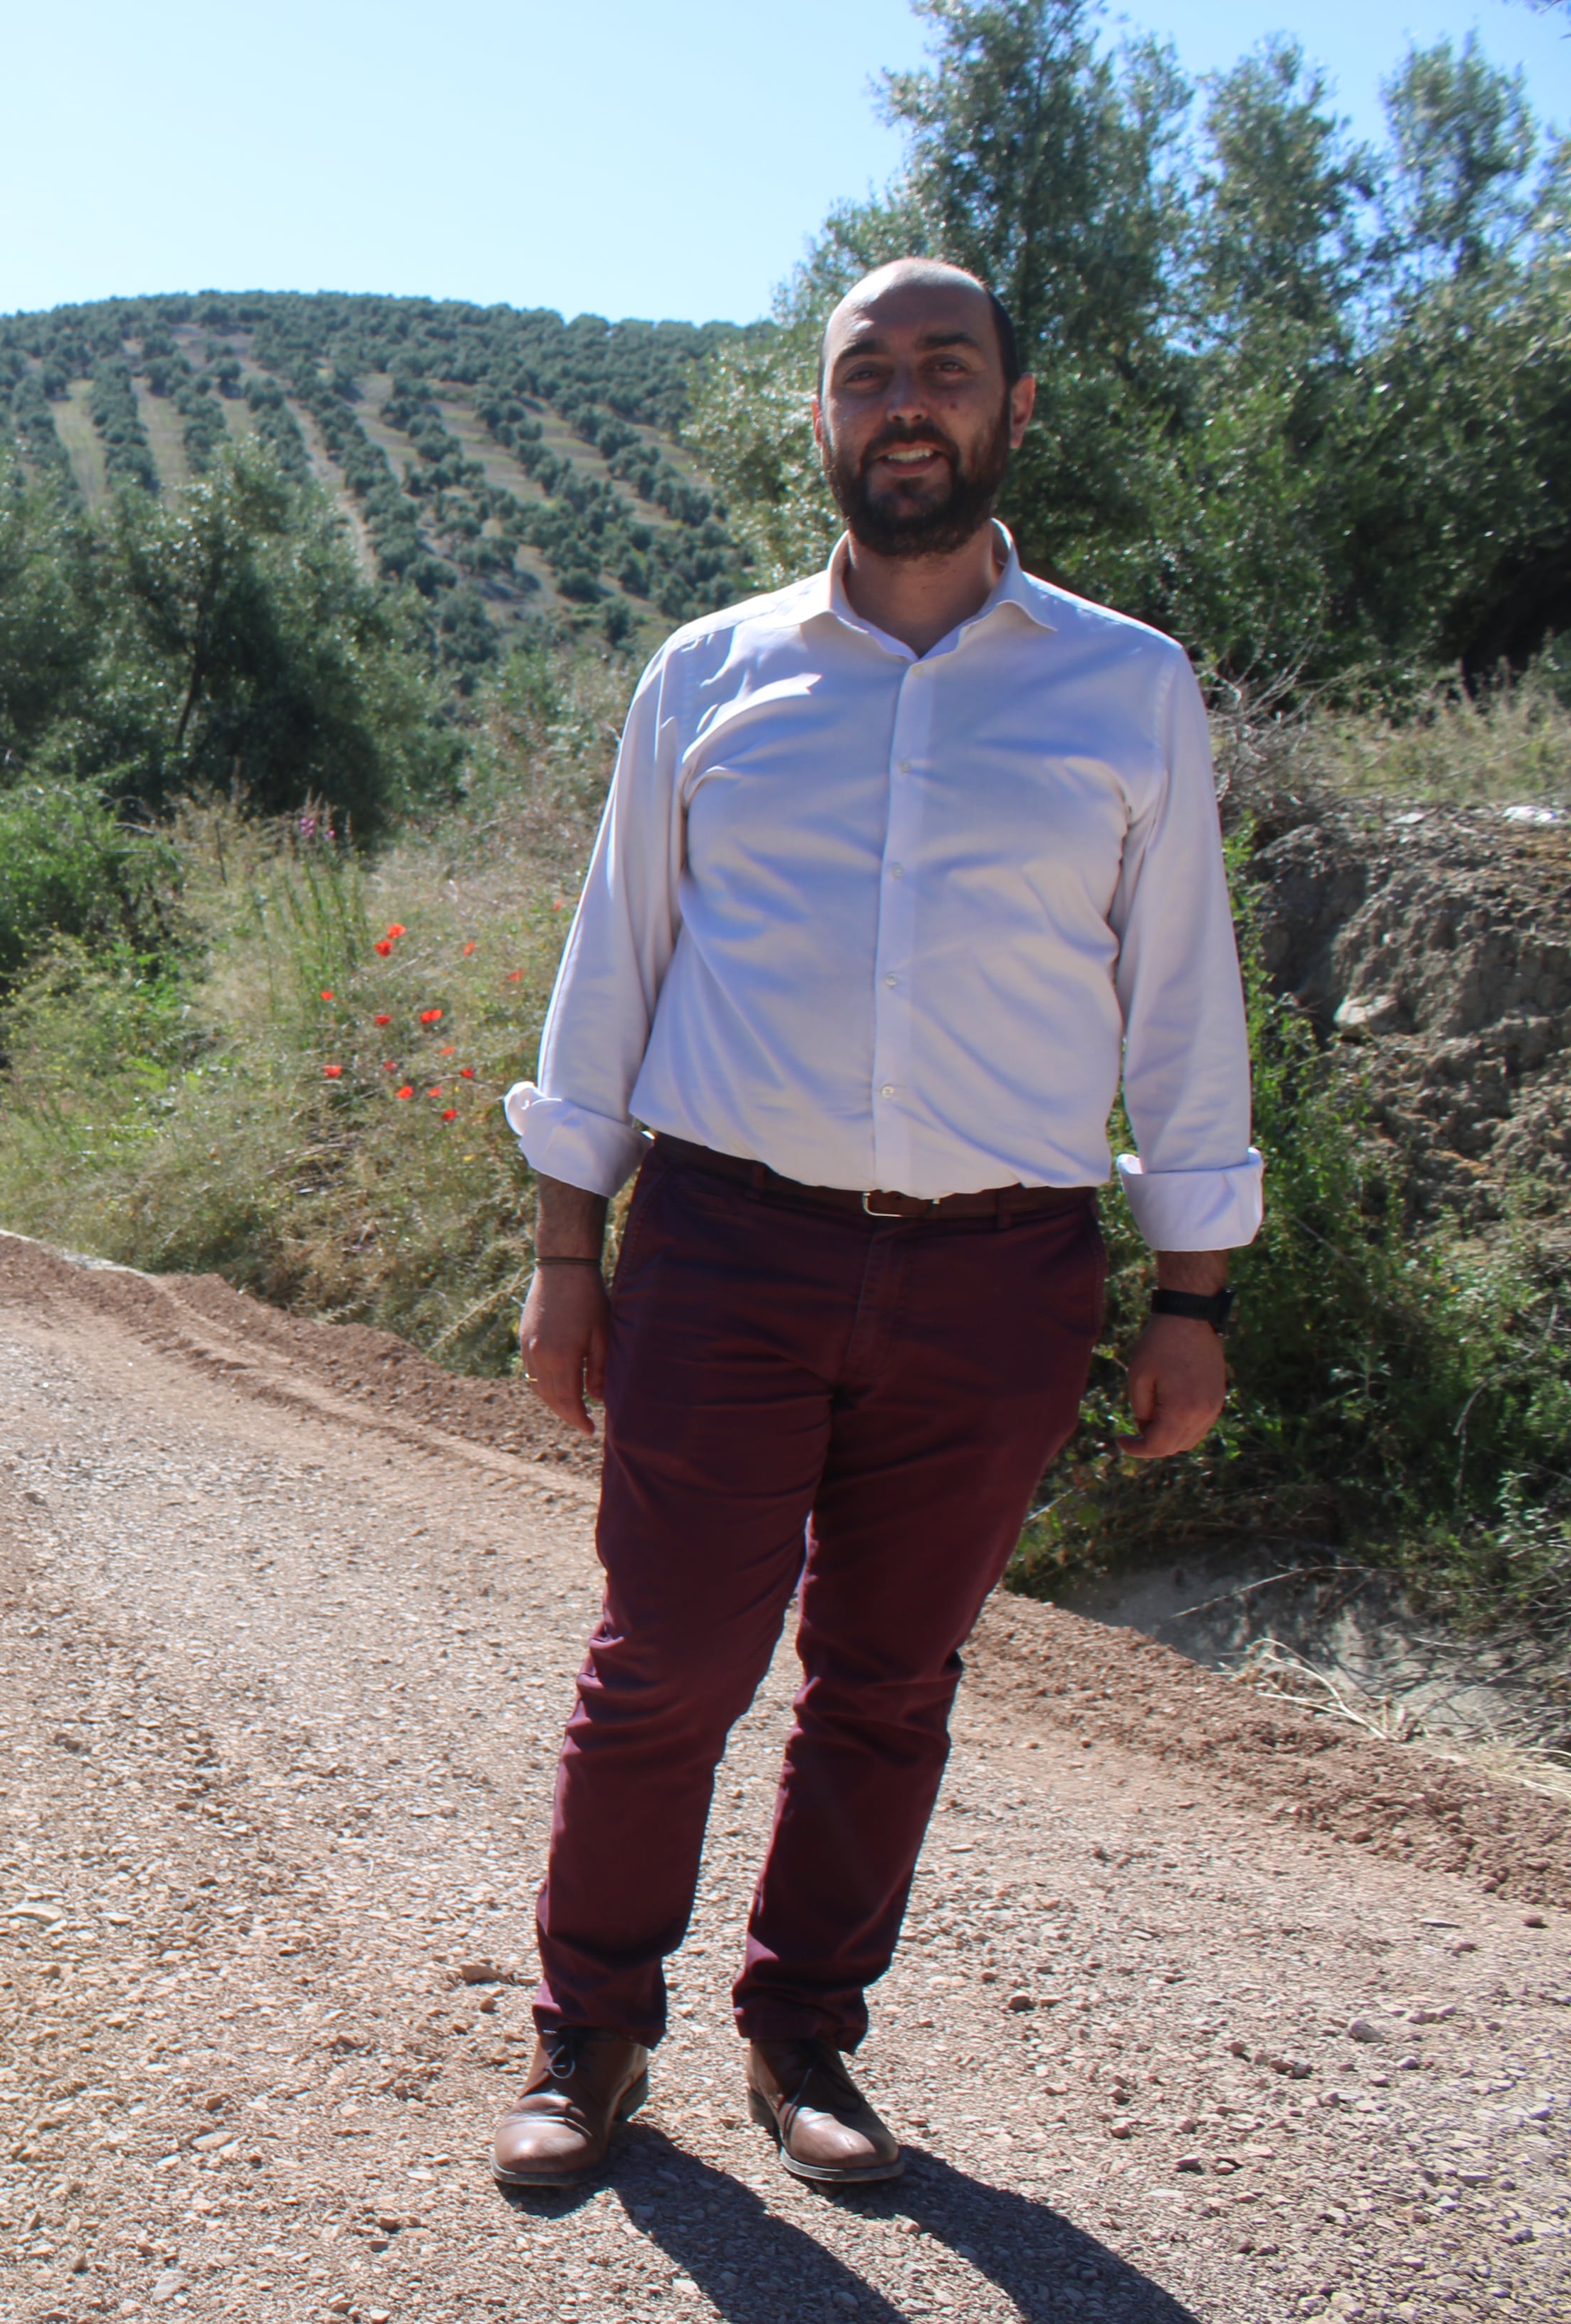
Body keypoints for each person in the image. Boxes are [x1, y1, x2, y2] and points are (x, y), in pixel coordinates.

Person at [486, 258, 1258, 2191]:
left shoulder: (1127, 686)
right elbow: (614, 976)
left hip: (1003, 1275)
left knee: (890, 1681)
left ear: (1010, 410)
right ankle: (590, 2039)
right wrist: (568, 1255)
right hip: (728, 1253)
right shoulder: (708, 675)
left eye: (946, 369)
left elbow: (1180, 1004)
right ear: (819, 418)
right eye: (867, 373)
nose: (905, 402)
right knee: (666, 1660)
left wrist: (1194, 1293)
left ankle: (803, 2040)